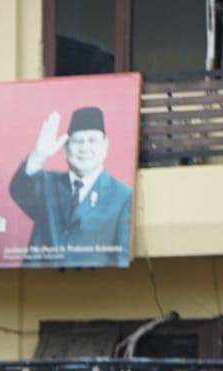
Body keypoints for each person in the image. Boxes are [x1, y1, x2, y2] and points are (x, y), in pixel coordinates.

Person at [8, 105, 132, 268]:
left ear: (105, 146)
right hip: (39, 282)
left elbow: (122, 260)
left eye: (92, 140)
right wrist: (39, 155)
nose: (85, 148)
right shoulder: (47, 184)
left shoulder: (123, 197)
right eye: (78, 140)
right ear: (65, 148)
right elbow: (19, 190)